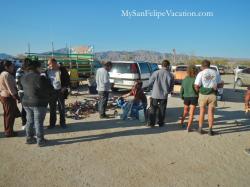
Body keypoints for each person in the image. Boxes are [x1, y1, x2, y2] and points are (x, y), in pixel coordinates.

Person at [21, 60, 53, 146]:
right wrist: (46, 79)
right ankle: (40, 140)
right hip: (38, 102)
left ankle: (29, 138)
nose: (42, 68)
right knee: (38, 122)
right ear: (37, 67)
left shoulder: (23, 76)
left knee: (30, 121)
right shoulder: (39, 77)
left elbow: (21, 88)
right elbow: (49, 89)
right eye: (41, 66)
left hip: (26, 102)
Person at [194, 60, 224, 136]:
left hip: (203, 95)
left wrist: (198, 92)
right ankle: (210, 130)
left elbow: (196, 85)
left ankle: (200, 129)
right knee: (211, 113)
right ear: (209, 65)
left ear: (202, 66)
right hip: (212, 95)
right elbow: (220, 85)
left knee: (202, 112)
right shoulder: (216, 73)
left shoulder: (201, 73)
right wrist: (217, 86)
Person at [148, 59, 174, 127]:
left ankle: (151, 123)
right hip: (164, 96)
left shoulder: (156, 73)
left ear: (161, 65)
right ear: (168, 66)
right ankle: (161, 123)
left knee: (153, 109)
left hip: (155, 94)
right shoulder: (170, 75)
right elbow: (171, 86)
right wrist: (168, 91)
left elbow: (150, 83)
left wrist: (151, 88)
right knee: (162, 109)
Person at [46, 58, 70, 129]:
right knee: (52, 108)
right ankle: (52, 124)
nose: (49, 65)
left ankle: (62, 123)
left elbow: (67, 79)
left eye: (50, 64)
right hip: (51, 92)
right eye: (48, 64)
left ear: (55, 63)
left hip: (60, 91)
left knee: (61, 108)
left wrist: (64, 87)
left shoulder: (62, 70)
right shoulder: (47, 71)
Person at [0, 60, 21, 137]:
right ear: (7, 67)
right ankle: (9, 132)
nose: (13, 67)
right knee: (9, 115)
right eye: (11, 66)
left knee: (7, 115)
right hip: (8, 97)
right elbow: (10, 88)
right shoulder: (7, 75)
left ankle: (8, 131)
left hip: (4, 95)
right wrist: (17, 97)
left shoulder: (3, 73)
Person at [180, 65, 198, 132]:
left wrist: (181, 96)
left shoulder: (185, 79)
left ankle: (181, 122)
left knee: (185, 111)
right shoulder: (196, 79)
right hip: (194, 97)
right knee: (191, 113)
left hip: (186, 97)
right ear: (195, 71)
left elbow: (182, 89)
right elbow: (197, 89)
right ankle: (188, 127)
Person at [16, 58, 30, 129]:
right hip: (22, 92)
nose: (28, 65)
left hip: (29, 91)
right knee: (24, 108)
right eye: (27, 63)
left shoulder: (28, 70)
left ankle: (29, 123)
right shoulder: (19, 70)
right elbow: (18, 82)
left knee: (29, 108)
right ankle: (24, 123)